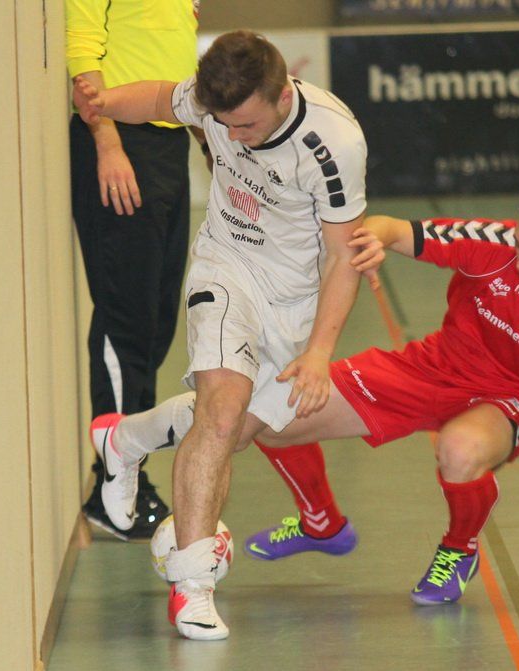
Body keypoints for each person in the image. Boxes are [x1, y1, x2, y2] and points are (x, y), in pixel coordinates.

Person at [88, 178, 519, 618]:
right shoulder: (494, 246)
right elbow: (390, 226)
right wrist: (372, 243)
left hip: (508, 404)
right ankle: (321, 522)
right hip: (429, 368)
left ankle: (458, 547)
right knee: (275, 413)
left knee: (459, 451)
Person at [72, 30, 368, 640]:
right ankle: (193, 588)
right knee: (222, 412)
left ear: (282, 96)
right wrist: (103, 105)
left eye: (247, 126)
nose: (233, 138)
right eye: (223, 126)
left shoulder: (334, 142)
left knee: (234, 433)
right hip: (226, 270)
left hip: (296, 301)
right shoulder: (214, 103)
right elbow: (160, 98)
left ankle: (125, 439)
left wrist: (319, 353)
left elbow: (345, 257)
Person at [66, 0, 201, 539]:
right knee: (126, 315)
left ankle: (129, 472)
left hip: (166, 142)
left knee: (156, 319)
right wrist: (107, 142)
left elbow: (170, 56)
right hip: (122, 142)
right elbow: (83, 55)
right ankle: (112, 486)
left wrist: (206, 137)